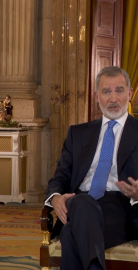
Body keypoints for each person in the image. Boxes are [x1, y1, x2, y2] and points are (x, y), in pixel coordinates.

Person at [45, 66, 138, 270]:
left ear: (129, 94)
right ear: (97, 96)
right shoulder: (77, 134)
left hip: (121, 208)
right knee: (82, 202)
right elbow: (59, 178)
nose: (113, 98)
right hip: (79, 203)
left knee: (70, 234)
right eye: (106, 91)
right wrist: (56, 197)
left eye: (119, 90)